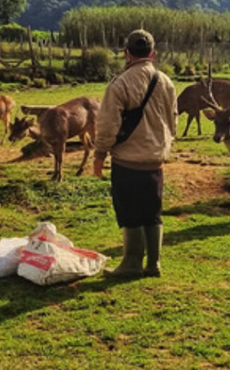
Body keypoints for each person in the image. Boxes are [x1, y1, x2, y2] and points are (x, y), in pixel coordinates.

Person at [94, 29, 177, 278]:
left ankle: (131, 264)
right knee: (152, 213)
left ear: (127, 53)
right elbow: (173, 120)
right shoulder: (166, 82)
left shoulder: (120, 84)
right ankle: (153, 264)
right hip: (155, 161)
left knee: (130, 213)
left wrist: (99, 155)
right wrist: (164, 146)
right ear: (152, 53)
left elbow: (108, 125)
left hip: (128, 162)